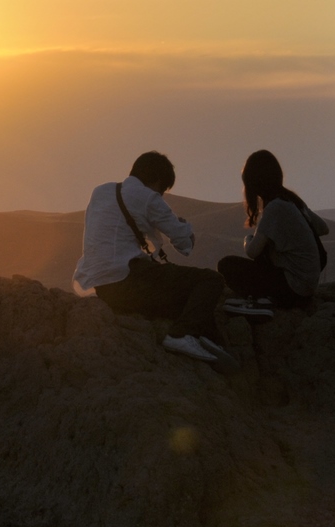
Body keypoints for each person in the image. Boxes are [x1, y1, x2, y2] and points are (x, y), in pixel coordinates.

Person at [74, 151, 238, 371]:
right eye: (162, 191)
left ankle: (207, 341)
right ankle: (182, 335)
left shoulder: (100, 192)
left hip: (102, 289)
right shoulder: (148, 198)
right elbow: (183, 243)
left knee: (181, 302)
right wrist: (184, 227)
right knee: (210, 280)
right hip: (129, 278)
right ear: (157, 181)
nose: (161, 196)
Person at [218, 150, 329, 315]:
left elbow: (252, 251)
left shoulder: (275, 207)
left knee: (226, 265)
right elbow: (323, 228)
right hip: (307, 287)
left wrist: (248, 239)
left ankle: (264, 301)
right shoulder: (292, 200)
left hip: (292, 290)